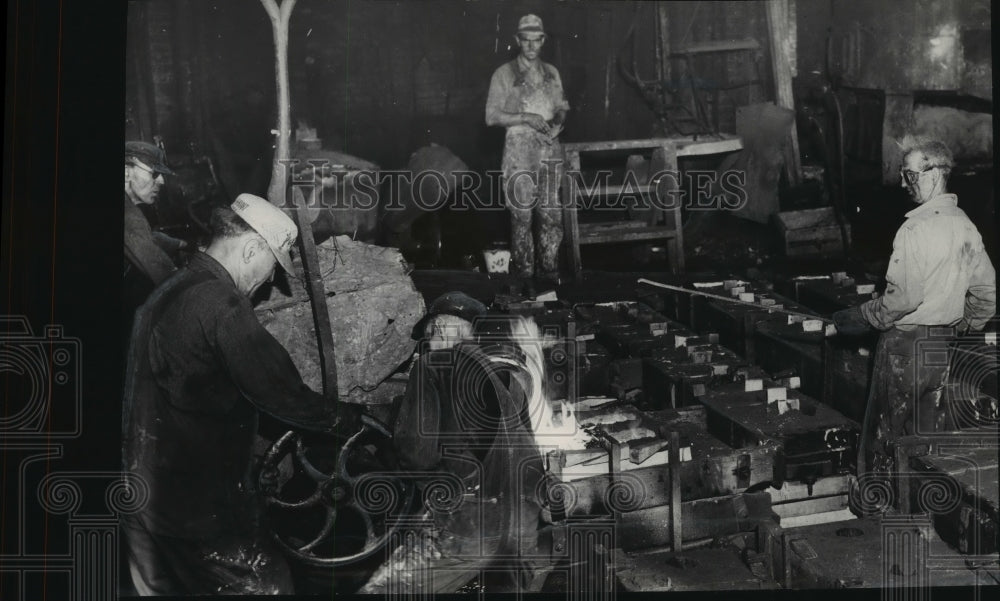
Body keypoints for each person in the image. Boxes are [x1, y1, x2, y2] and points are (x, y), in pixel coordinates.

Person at [122, 193, 360, 595]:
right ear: (252, 248)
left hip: (139, 493)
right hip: (192, 507)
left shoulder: (169, 288)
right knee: (268, 587)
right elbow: (281, 394)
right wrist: (352, 417)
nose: (269, 280)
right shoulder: (222, 303)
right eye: (272, 266)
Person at [833, 136, 995, 483]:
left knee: (883, 429)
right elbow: (987, 292)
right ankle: (920, 505)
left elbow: (904, 299)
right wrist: (966, 323)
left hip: (904, 346)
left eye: (910, 175)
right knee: (924, 435)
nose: (904, 185)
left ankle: (872, 505)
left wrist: (863, 316)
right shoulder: (967, 227)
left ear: (934, 173)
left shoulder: (915, 228)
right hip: (940, 348)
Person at [361, 308, 550, 594]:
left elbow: (416, 453)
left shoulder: (431, 366)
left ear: (440, 331)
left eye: (427, 340)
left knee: (385, 590)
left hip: (472, 521)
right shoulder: (510, 378)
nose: (424, 349)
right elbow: (530, 450)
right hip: (524, 520)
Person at [486, 14, 570, 296]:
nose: (531, 46)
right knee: (521, 216)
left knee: (551, 215)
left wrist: (558, 123)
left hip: (549, 148)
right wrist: (526, 117)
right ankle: (525, 276)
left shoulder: (552, 73)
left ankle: (550, 273)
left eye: (537, 40)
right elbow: (491, 116)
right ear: (517, 40)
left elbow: (561, 107)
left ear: (543, 40)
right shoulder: (504, 74)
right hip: (519, 150)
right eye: (526, 40)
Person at [123, 141, 188, 344]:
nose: (161, 181)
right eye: (153, 173)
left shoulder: (130, 210)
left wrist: (179, 244)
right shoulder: (127, 214)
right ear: (126, 172)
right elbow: (161, 271)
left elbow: (146, 237)